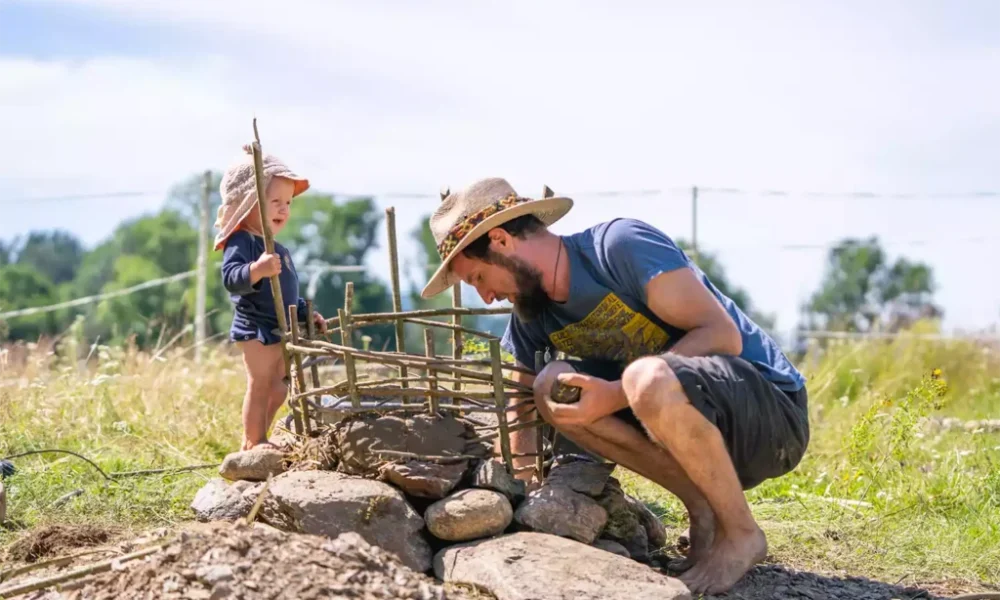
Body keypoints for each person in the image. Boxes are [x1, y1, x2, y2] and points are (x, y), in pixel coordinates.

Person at [418, 177, 810, 595]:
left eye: (478, 277)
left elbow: (721, 335)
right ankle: (703, 507)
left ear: (500, 240)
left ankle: (742, 534)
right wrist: (524, 495)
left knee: (645, 379)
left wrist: (614, 394)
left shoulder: (619, 247)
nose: (487, 297)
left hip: (769, 418)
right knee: (553, 387)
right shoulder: (533, 316)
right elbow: (519, 404)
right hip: (690, 433)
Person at [215, 144, 327, 451]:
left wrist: (305, 313)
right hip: (256, 327)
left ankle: (255, 438)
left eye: (287, 202)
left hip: (279, 326)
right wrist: (257, 269)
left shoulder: (280, 250)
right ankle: (255, 439)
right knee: (261, 383)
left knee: (280, 387)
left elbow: (290, 294)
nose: (283, 209)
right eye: (274, 201)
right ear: (249, 203)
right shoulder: (242, 241)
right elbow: (232, 278)